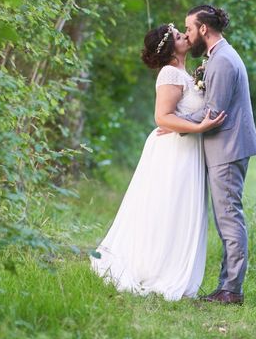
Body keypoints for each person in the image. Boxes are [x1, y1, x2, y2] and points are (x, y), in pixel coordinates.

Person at [90, 23, 226, 301]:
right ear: (169, 48)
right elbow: (162, 118)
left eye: (182, 32)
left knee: (182, 208)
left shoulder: (185, 73)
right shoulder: (168, 73)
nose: (185, 36)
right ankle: (156, 268)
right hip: (174, 150)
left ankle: (174, 266)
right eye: (178, 36)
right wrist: (200, 128)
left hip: (188, 151)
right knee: (169, 206)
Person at [163, 5, 256, 305]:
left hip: (228, 148)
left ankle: (231, 289)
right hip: (224, 148)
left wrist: (175, 125)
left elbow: (213, 113)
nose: (188, 35)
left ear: (203, 29)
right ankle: (227, 286)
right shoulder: (217, 57)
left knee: (229, 218)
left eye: (189, 28)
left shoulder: (222, 62)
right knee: (225, 218)